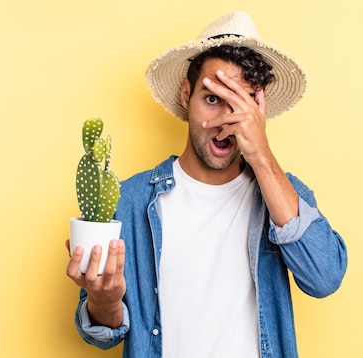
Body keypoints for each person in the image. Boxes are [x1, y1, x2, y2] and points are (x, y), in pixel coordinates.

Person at [66, 11, 348, 358]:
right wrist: (103, 300)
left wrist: (261, 154)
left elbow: (325, 277)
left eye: (240, 104)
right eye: (213, 99)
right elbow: (101, 333)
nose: (224, 123)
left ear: (258, 112)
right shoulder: (131, 201)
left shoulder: (282, 196)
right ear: (187, 94)